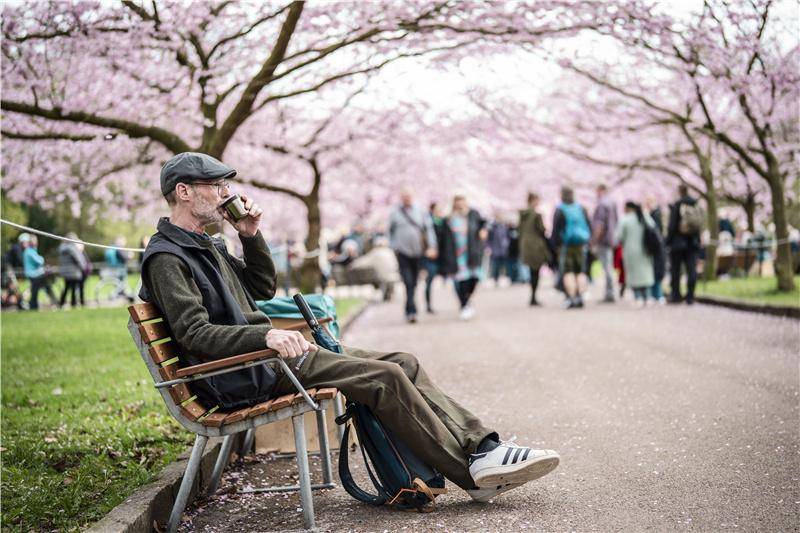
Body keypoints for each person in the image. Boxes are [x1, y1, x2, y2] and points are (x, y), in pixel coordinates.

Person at [139, 152, 560, 503]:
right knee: (385, 376)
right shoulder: (167, 259)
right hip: (244, 373)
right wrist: (264, 335)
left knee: (402, 361)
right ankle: (472, 477)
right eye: (217, 186)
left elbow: (260, 287)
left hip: (268, 360)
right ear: (184, 192)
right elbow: (194, 334)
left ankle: (482, 447)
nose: (226, 194)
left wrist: (250, 236)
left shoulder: (206, 244)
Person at [388, 188, 438, 323]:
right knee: (408, 281)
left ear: (413, 196)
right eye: (404, 196)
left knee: (414, 282)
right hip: (402, 253)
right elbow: (390, 231)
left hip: (418, 252)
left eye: (409, 195)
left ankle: (409, 307)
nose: (407, 198)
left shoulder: (421, 211)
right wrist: (394, 247)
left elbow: (429, 230)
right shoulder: (395, 213)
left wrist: (432, 247)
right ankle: (412, 311)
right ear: (401, 197)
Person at [442, 192, 487, 321]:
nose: (460, 203)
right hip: (456, 254)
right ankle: (464, 305)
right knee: (460, 280)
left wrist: (483, 231)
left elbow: (484, 223)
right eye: (457, 200)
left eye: (462, 200)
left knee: (474, 278)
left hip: (472, 253)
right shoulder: (449, 218)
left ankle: (467, 300)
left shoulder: (473, 214)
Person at [552, 186, 592, 309]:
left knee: (568, 271)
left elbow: (556, 230)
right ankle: (580, 296)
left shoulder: (560, 210)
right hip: (580, 244)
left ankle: (571, 297)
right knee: (580, 271)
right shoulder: (581, 208)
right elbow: (589, 226)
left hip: (566, 245)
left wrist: (555, 246)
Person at [666, 185, 702, 304]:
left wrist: (668, 241)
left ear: (680, 192)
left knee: (676, 270)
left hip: (678, 244)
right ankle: (690, 296)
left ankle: (676, 295)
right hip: (693, 243)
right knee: (691, 270)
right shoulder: (696, 204)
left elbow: (672, 226)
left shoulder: (677, 205)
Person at [615, 202, 656, 307]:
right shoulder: (644, 217)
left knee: (633, 274)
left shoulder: (625, 219)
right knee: (646, 273)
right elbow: (654, 228)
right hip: (645, 250)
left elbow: (618, 237)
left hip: (630, 251)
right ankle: (647, 296)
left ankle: (638, 297)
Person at [518, 193, 551, 306]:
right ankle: (533, 297)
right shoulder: (536, 215)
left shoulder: (522, 215)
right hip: (536, 246)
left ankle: (532, 297)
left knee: (532, 272)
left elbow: (519, 230)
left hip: (525, 246)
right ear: (532, 200)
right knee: (536, 272)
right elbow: (542, 230)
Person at [591, 184, 618, 303]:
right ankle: (610, 292)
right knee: (609, 267)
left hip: (603, 240)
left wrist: (594, 240)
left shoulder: (602, 205)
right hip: (611, 239)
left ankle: (609, 293)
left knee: (607, 268)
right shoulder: (612, 204)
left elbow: (599, 225)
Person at [21, 234, 59, 310]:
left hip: (36, 274)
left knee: (42, 288)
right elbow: (40, 261)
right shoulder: (29, 251)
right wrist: (41, 260)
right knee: (39, 289)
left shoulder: (31, 250)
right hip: (34, 275)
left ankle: (54, 303)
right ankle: (35, 306)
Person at [422, 202, 446, 314]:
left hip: (443, 257)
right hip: (430, 256)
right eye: (437, 209)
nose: (439, 211)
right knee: (429, 280)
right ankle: (428, 305)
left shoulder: (444, 222)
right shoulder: (427, 223)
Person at [58, 233, 88, 308]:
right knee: (74, 288)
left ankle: (61, 303)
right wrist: (83, 267)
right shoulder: (73, 248)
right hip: (74, 271)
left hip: (65, 272)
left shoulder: (62, 249)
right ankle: (73, 304)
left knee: (66, 288)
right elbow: (78, 260)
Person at [487, 217, 510, 286]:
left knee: (503, 266)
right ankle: (494, 279)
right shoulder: (492, 227)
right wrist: (488, 247)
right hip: (494, 250)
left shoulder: (504, 227)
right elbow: (489, 239)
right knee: (494, 266)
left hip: (503, 250)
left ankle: (502, 278)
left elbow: (507, 237)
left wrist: (507, 244)